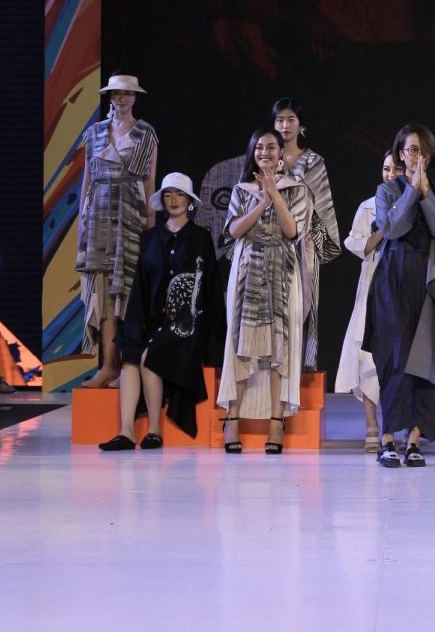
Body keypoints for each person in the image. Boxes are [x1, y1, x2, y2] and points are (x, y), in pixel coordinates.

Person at [98, 173, 225, 451]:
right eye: (168, 194)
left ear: (189, 201)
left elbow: (210, 288)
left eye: (179, 194)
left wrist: (213, 338)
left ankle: (154, 430)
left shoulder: (200, 238)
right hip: (152, 318)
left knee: (149, 355)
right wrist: (134, 327)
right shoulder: (150, 238)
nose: (173, 200)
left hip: (185, 324)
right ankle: (126, 432)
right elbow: (142, 285)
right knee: (131, 352)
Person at [364, 124, 435, 468]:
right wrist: (411, 193)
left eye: (421, 150)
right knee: (395, 359)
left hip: (430, 282)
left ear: (430, 156)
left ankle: (415, 440)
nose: (416, 156)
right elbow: (392, 228)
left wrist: (427, 194)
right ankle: (388, 439)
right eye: (410, 150)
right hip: (394, 281)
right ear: (401, 154)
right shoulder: (387, 190)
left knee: (430, 360)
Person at [217, 129, 309, 454]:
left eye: (271, 147)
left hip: (282, 274)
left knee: (277, 349)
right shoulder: (242, 190)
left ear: (281, 152)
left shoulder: (297, 189)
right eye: (259, 148)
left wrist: (276, 196)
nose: (265, 153)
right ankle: (232, 420)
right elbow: (234, 230)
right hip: (247, 272)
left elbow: (292, 230)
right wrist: (262, 202)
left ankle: (276, 422)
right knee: (241, 347)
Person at [75, 73, 158, 388]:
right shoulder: (95, 132)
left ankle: (129, 365)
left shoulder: (146, 133)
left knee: (129, 289)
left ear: (135, 97)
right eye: (116, 93)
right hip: (98, 217)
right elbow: (87, 180)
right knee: (105, 290)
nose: (121, 98)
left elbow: (149, 183)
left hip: (131, 215)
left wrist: (150, 228)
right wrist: (82, 222)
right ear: (110, 97)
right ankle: (108, 365)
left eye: (126, 93)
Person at [335, 150, 404, 453]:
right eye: (386, 169)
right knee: (367, 356)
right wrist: (383, 229)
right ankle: (371, 425)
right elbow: (359, 246)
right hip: (373, 285)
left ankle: (395, 424)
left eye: (397, 169)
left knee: (400, 357)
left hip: (402, 287)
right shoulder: (367, 207)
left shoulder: (416, 205)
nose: (390, 175)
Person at [272, 98, 340, 370]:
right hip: (270, 240)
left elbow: (322, 207)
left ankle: (295, 371)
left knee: (301, 306)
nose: (284, 125)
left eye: (290, 119)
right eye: (279, 120)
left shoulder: (313, 162)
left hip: (302, 243)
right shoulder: (266, 156)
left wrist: (313, 235)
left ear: (300, 125)